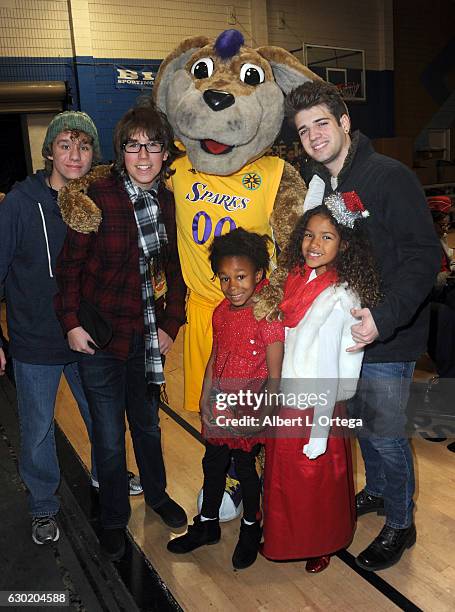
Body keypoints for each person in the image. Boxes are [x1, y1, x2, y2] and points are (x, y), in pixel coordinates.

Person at [284, 81, 440, 571]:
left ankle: (400, 522)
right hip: (345, 332)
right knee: (363, 426)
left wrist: (384, 317)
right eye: (304, 130)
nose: (313, 136)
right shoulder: (321, 184)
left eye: (322, 124)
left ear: (345, 123)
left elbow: (424, 255)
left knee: (386, 432)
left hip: (388, 332)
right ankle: (375, 491)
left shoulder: (386, 176)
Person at [54, 100, 187, 561]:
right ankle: (113, 517)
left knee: (148, 428)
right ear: (121, 153)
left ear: (166, 152)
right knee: (109, 436)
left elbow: (176, 268)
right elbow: (69, 271)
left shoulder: (169, 200)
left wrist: (171, 323)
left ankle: (157, 495)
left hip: (147, 338)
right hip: (101, 340)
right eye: (133, 147)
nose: (144, 156)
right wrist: (71, 324)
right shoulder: (99, 196)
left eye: (153, 146)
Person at [262, 196, 381, 572]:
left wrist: (319, 432)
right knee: (287, 480)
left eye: (327, 237)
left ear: (343, 245)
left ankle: (322, 541)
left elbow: (331, 367)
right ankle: (287, 535)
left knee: (316, 483)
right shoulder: (298, 280)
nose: (314, 244)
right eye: (310, 235)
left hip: (318, 407)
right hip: (291, 396)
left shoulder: (337, 295)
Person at [0, 111, 103, 545]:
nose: (74, 155)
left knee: (102, 418)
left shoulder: (96, 199)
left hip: (85, 336)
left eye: (83, 146)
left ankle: (109, 475)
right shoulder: (21, 204)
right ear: (49, 152)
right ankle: (43, 504)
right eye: (65, 145)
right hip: (35, 341)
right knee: (38, 427)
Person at [167, 228, 284, 569]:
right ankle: (207, 524)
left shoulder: (267, 316)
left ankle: (251, 526)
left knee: (247, 470)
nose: (233, 286)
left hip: (250, 409)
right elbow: (216, 354)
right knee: (213, 463)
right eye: (225, 278)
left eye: (242, 277)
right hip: (220, 404)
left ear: (260, 274)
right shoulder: (220, 311)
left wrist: (266, 414)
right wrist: (205, 395)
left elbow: (276, 375)